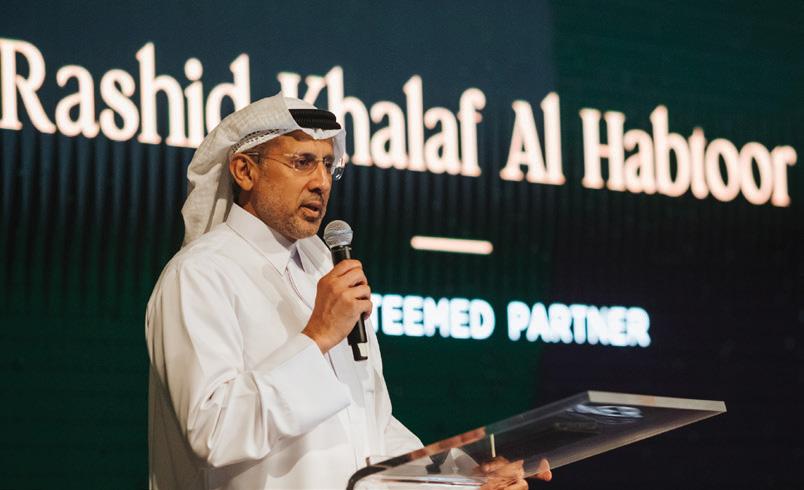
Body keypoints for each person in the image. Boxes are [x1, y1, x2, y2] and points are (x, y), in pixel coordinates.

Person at [145, 93, 549, 489]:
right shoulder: (200, 274)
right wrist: (317, 336)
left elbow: (370, 430)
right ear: (245, 171)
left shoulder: (323, 268)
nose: (321, 182)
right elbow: (212, 431)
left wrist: (465, 480)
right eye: (302, 162)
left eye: (327, 164)